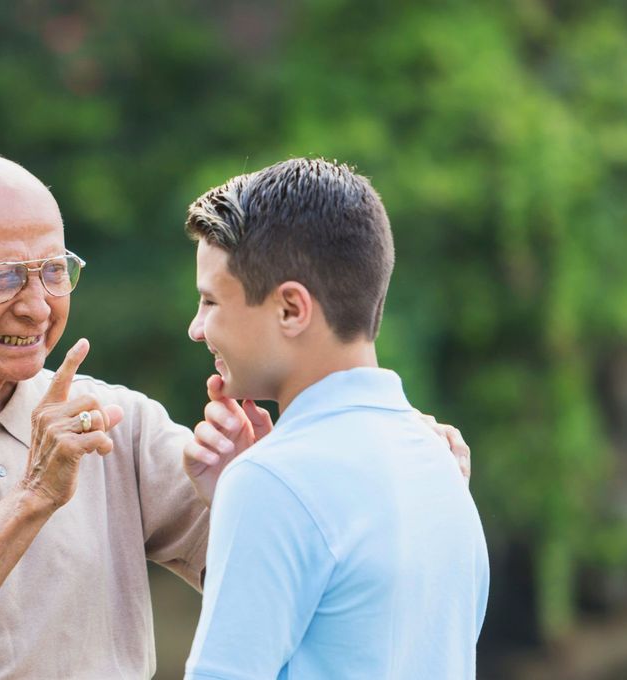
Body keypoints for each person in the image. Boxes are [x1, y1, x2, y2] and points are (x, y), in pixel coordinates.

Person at [0, 153, 471, 679]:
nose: (38, 305)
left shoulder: (117, 418)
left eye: (53, 271)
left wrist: (401, 478)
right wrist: (33, 499)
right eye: (3, 277)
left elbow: (276, 563)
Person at [181, 158, 489, 679]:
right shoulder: (442, 466)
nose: (197, 327)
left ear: (291, 310)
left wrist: (254, 491)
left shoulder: (270, 484)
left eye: (211, 301)